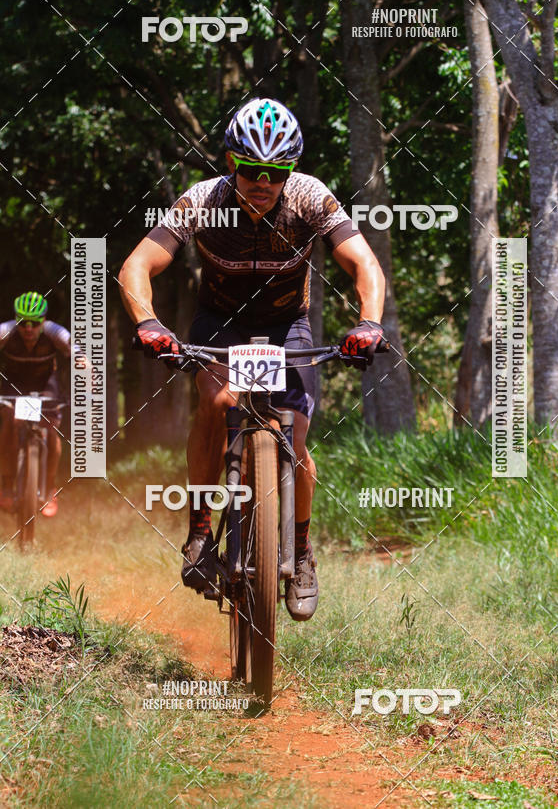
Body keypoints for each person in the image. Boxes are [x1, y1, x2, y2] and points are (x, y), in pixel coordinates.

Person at [119, 97, 386, 621]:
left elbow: (364, 263)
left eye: (275, 172)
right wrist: (148, 323)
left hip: (289, 326)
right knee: (218, 402)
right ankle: (199, 528)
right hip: (220, 323)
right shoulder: (202, 201)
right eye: (252, 170)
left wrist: (370, 321)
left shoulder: (310, 196)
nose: (263, 182)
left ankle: (303, 552)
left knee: (299, 436)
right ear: (230, 162)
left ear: (290, 170)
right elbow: (137, 266)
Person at [0, 292, 71, 517]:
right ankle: (7, 483)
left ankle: (50, 488)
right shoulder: (5, 331)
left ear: (44, 321)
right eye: (23, 322)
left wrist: (87, 374)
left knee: (51, 432)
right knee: (10, 424)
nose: (28, 328)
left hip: (45, 385)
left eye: (35, 323)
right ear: (16, 320)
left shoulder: (55, 333)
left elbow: (78, 354)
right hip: (14, 384)